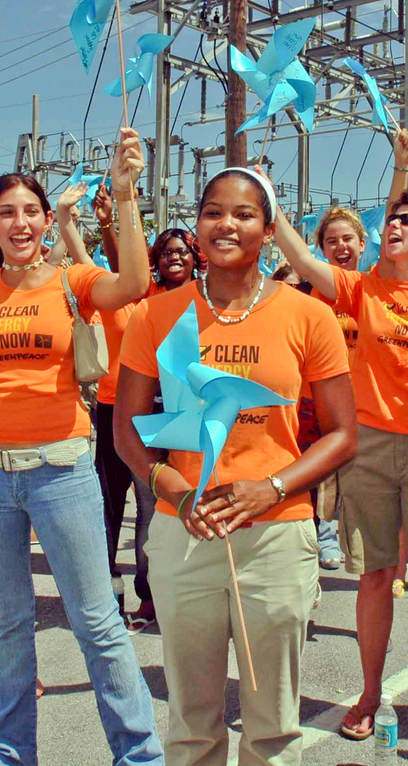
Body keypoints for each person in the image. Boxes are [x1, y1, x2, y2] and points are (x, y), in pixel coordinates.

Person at [0, 127, 163, 765]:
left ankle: (139, 754)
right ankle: (10, 752)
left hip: (61, 469)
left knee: (96, 621)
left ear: (45, 220)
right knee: (10, 624)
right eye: (6, 212)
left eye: (31, 211)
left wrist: (126, 194)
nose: (20, 223)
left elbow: (133, 283)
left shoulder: (73, 279)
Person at [114, 166, 357, 765]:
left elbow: (343, 434)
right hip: (184, 531)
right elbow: (127, 429)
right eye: (214, 212)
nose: (227, 224)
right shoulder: (155, 315)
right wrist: (173, 489)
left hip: (277, 535)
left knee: (272, 726)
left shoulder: (310, 316)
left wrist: (271, 488)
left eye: (245, 214)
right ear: (198, 226)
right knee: (191, 722)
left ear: (269, 230)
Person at [271, 135, 408, 748]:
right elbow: (300, 259)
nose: (393, 227)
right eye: (391, 220)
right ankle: (369, 693)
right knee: (375, 576)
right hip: (372, 446)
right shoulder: (365, 287)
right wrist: (266, 197)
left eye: (407, 222)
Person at [72, 183, 206, 632]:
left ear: (195, 258)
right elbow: (117, 265)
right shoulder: (144, 293)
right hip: (125, 410)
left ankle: (152, 595)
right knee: (111, 505)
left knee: (155, 507)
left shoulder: (206, 298)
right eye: (166, 252)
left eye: (182, 251)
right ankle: (106, 592)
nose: (174, 258)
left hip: (178, 414)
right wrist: (109, 221)